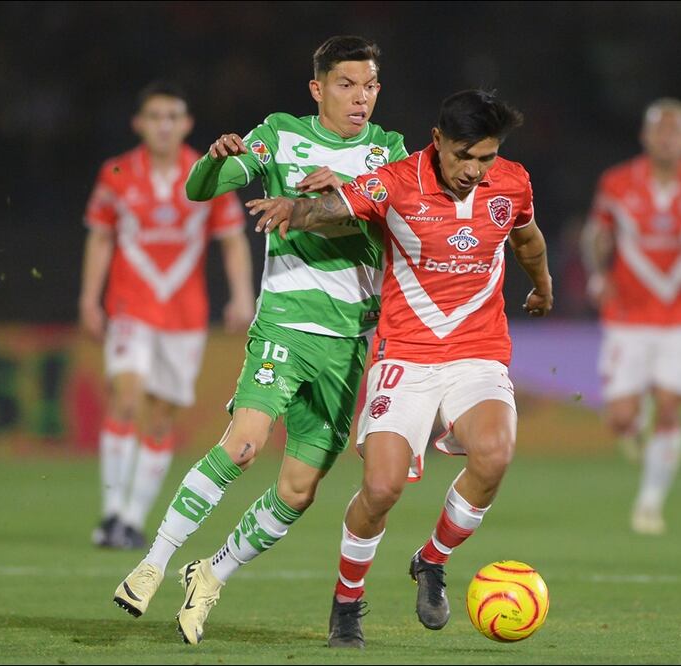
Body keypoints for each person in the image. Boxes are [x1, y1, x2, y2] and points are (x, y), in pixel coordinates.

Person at [113, 36, 408, 646]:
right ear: (317, 88)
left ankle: (213, 572)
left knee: (299, 489)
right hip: (285, 325)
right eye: (348, 85)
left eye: (371, 85)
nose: (361, 98)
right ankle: (154, 562)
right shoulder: (279, 134)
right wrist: (215, 162)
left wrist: (341, 198)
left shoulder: (390, 153)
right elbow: (200, 189)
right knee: (243, 446)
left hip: (351, 340)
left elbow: (396, 219)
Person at [249, 89, 554, 649]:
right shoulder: (397, 180)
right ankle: (347, 600)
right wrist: (296, 210)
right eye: (463, 156)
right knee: (382, 487)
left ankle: (431, 561)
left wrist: (542, 283)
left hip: (477, 349)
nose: (474, 170)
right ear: (437, 141)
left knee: (494, 455)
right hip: (406, 354)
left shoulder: (511, 182)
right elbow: (337, 206)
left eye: (485, 157)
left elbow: (526, 236)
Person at [80, 81, 255, 550]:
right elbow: (100, 236)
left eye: (171, 116)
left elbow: (233, 238)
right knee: (127, 397)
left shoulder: (209, 173)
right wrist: (87, 298)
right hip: (129, 306)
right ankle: (112, 513)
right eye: (154, 116)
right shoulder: (115, 172)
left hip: (185, 314)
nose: (163, 125)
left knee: (161, 417)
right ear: (139, 123)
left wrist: (242, 296)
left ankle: (132, 519)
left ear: (186, 124)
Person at [580, 98, 681, 535]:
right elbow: (595, 234)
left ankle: (649, 504)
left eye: (676, 131)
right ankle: (633, 424)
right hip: (627, 315)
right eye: (660, 129)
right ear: (646, 136)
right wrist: (597, 276)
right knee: (619, 417)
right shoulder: (616, 183)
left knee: (671, 407)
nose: (667, 138)